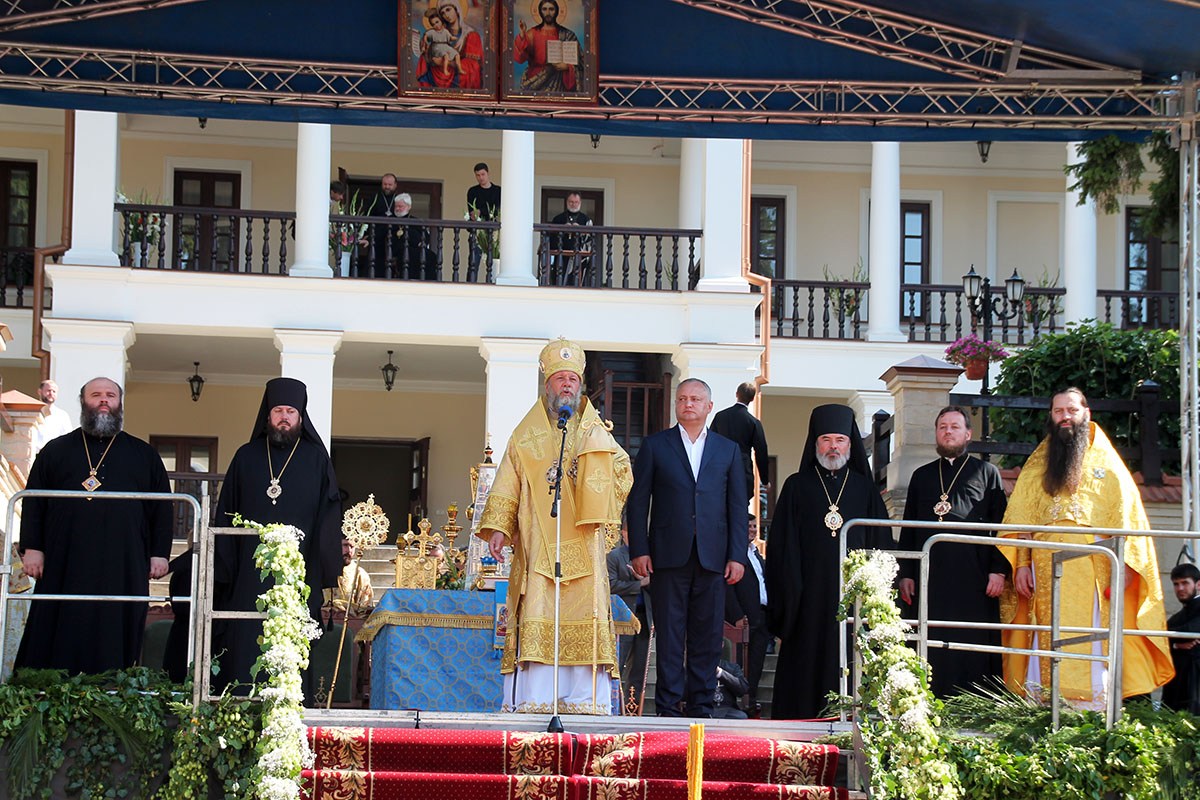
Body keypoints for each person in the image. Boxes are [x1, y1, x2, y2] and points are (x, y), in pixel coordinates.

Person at [478, 338, 631, 714]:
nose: (566, 385)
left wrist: (592, 472)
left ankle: (583, 699)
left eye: (572, 379)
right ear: (547, 385)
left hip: (584, 544)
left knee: (584, 613)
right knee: (539, 609)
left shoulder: (596, 431)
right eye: (560, 378)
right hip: (539, 547)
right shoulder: (525, 435)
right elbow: (509, 481)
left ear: (580, 386)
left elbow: (622, 471)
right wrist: (499, 527)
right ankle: (537, 696)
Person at [1000, 387, 1173, 705]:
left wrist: (1124, 571)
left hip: (1093, 567)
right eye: (1058, 411)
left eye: (1071, 410)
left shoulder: (1109, 463)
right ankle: (1043, 704)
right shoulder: (1038, 465)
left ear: (1086, 413)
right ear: (1051, 417)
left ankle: (1091, 707)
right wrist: (1022, 565)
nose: (1065, 416)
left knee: (1091, 634)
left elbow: (1127, 519)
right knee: (1045, 630)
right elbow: (1022, 520)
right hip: (1043, 568)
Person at [15, 377, 172, 674]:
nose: (103, 400)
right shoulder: (55, 450)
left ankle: (111, 684)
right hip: (64, 558)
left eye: (110, 395)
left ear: (120, 403)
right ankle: (51, 686)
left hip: (124, 560)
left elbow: (162, 508)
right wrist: (33, 548)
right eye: (96, 395)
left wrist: (159, 553)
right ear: (83, 401)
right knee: (58, 620)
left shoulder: (144, 455)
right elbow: (34, 501)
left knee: (116, 622)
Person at [211, 377, 343, 698]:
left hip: (298, 574)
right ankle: (241, 701)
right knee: (245, 640)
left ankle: (288, 707)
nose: (284, 417)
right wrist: (225, 569)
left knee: (291, 644)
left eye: (290, 412)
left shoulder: (316, 460)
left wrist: (326, 566)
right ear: (267, 415)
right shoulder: (246, 456)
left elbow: (328, 517)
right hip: (248, 574)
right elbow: (226, 512)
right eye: (278, 411)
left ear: (300, 417)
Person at [627, 378, 747, 718]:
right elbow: (638, 502)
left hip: (714, 557)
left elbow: (737, 506)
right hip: (667, 555)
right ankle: (667, 707)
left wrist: (737, 555)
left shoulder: (727, 450)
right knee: (669, 634)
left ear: (709, 406)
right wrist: (639, 549)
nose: (688, 404)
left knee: (707, 637)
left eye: (695, 399)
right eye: (682, 399)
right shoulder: (655, 446)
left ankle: (701, 707)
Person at [765, 403, 890, 719]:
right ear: (815, 443)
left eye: (840, 440)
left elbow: (881, 543)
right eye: (826, 440)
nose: (833, 447)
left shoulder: (865, 489)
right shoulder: (796, 486)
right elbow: (782, 547)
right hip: (806, 597)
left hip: (853, 598)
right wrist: (789, 596)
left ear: (849, 444)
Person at [897, 405, 1009, 697]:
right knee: (931, 641)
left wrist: (998, 570)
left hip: (974, 578)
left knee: (971, 643)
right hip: (930, 578)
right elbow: (909, 527)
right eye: (943, 427)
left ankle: (974, 703)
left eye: (955, 427)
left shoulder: (987, 473)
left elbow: (1001, 525)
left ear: (968, 434)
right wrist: (906, 572)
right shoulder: (921, 476)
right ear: (936, 433)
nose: (948, 432)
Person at [725, 514, 769, 716]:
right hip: (742, 617)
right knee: (741, 662)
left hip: (761, 615)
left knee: (757, 661)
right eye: (749, 526)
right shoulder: (733, 554)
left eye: (754, 526)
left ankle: (751, 699)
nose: (753, 530)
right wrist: (736, 615)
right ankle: (737, 701)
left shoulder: (757, 554)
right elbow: (728, 587)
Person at [607, 523, 652, 709]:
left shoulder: (649, 557)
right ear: (623, 533)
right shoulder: (615, 556)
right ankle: (613, 706)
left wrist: (646, 581)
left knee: (639, 667)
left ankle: (632, 707)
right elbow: (610, 585)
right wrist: (639, 584)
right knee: (618, 664)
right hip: (623, 619)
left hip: (644, 617)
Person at [710, 382, 770, 500]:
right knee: (740, 505)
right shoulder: (753, 422)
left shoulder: (720, 416)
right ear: (752, 399)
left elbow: (709, 443)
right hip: (742, 471)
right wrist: (765, 480)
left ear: (737, 394)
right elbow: (761, 452)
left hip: (720, 469)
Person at [514, 0, 580, 94]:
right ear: (540, 11)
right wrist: (522, 35)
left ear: (557, 11)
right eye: (544, 9)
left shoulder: (567, 34)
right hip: (536, 80)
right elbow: (520, 58)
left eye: (551, 9)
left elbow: (581, 63)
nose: (548, 13)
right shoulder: (532, 33)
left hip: (559, 84)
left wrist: (567, 67)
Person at [418, 0, 482, 89]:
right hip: (438, 72)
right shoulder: (439, 33)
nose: (446, 15)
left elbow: (473, 66)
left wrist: (445, 63)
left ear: (457, 10)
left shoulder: (471, 35)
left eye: (448, 10)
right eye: (442, 13)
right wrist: (426, 51)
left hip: (457, 76)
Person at [1163, 563, 1200, 714]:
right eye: (1176, 584)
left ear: (1198, 584)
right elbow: (1161, 637)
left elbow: (1191, 629)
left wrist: (1174, 638)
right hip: (1178, 682)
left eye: (1185, 583)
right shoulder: (1178, 616)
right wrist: (1178, 645)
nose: (1180, 588)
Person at [547, 191, 592, 285]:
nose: (573, 204)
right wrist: (563, 231)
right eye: (571, 202)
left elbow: (590, 242)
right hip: (561, 258)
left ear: (580, 203)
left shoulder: (586, 220)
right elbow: (551, 240)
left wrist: (580, 231)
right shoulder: (558, 219)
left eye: (576, 202)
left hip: (579, 259)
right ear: (567, 202)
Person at [392, 193, 438, 280]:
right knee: (411, 254)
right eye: (396, 206)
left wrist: (422, 243)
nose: (397, 208)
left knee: (431, 256)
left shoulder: (415, 220)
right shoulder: (391, 220)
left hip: (416, 249)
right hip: (400, 249)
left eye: (400, 206)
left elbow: (426, 236)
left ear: (409, 207)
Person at [324, 539, 374, 619]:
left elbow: (366, 608)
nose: (349, 550)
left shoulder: (361, 574)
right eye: (345, 545)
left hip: (351, 622)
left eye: (352, 546)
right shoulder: (321, 570)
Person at [466, 162, 500, 281]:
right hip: (477, 232)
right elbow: (472, 212)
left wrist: (481, 211)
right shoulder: (472, 191)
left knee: (493, 262)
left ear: (488, 173)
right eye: (478, 175)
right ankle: (470, 285)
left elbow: (497, 210)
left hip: (493, 233)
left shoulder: (498, 191)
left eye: (483, 174)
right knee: (473, 262)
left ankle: (491, 284)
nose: (481, 177)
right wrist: (479, 213)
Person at [367, 173, 398, 278]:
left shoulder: (399, 199)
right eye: (385, 184)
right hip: (377, 237)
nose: (387, 187)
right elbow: (367, 216)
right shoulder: (375, 198)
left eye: (390, 184)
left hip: (394, 237)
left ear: (395, 185)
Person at [420, 7, 461, 86]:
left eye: (448, 10)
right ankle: (445, 70)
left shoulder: (446, 31)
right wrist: (425, 45)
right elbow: (425, 38)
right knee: (445, 55)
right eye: (433, 24)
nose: (436, 25)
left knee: (455, 54)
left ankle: (459, 69)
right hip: (437, 53)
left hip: (446, 51)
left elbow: (450, 37)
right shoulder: (432, 33)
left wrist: (454, 38)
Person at [31, 379, 73, 456]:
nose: (51, 394)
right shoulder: (31, 412)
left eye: (54, 391)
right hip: (34, 455)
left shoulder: (62, 415)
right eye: (48, 390)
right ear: (39, 392)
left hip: (54, 455)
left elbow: (67, 438)